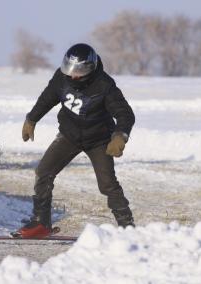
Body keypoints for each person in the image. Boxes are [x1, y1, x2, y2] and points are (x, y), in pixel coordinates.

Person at [18, 43, 136, 238]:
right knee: (43, 172)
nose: (72, 75)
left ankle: (127, 227)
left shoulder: (105, 86)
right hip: (69, 136)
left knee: (107, 185)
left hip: (98, 140)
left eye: (78, 71)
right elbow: (47, 98)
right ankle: (41, 223)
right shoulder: (61, 78)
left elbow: (125, 114)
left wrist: (119, 135)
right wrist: (32, 119)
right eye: (69, 69)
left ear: (89, 69)